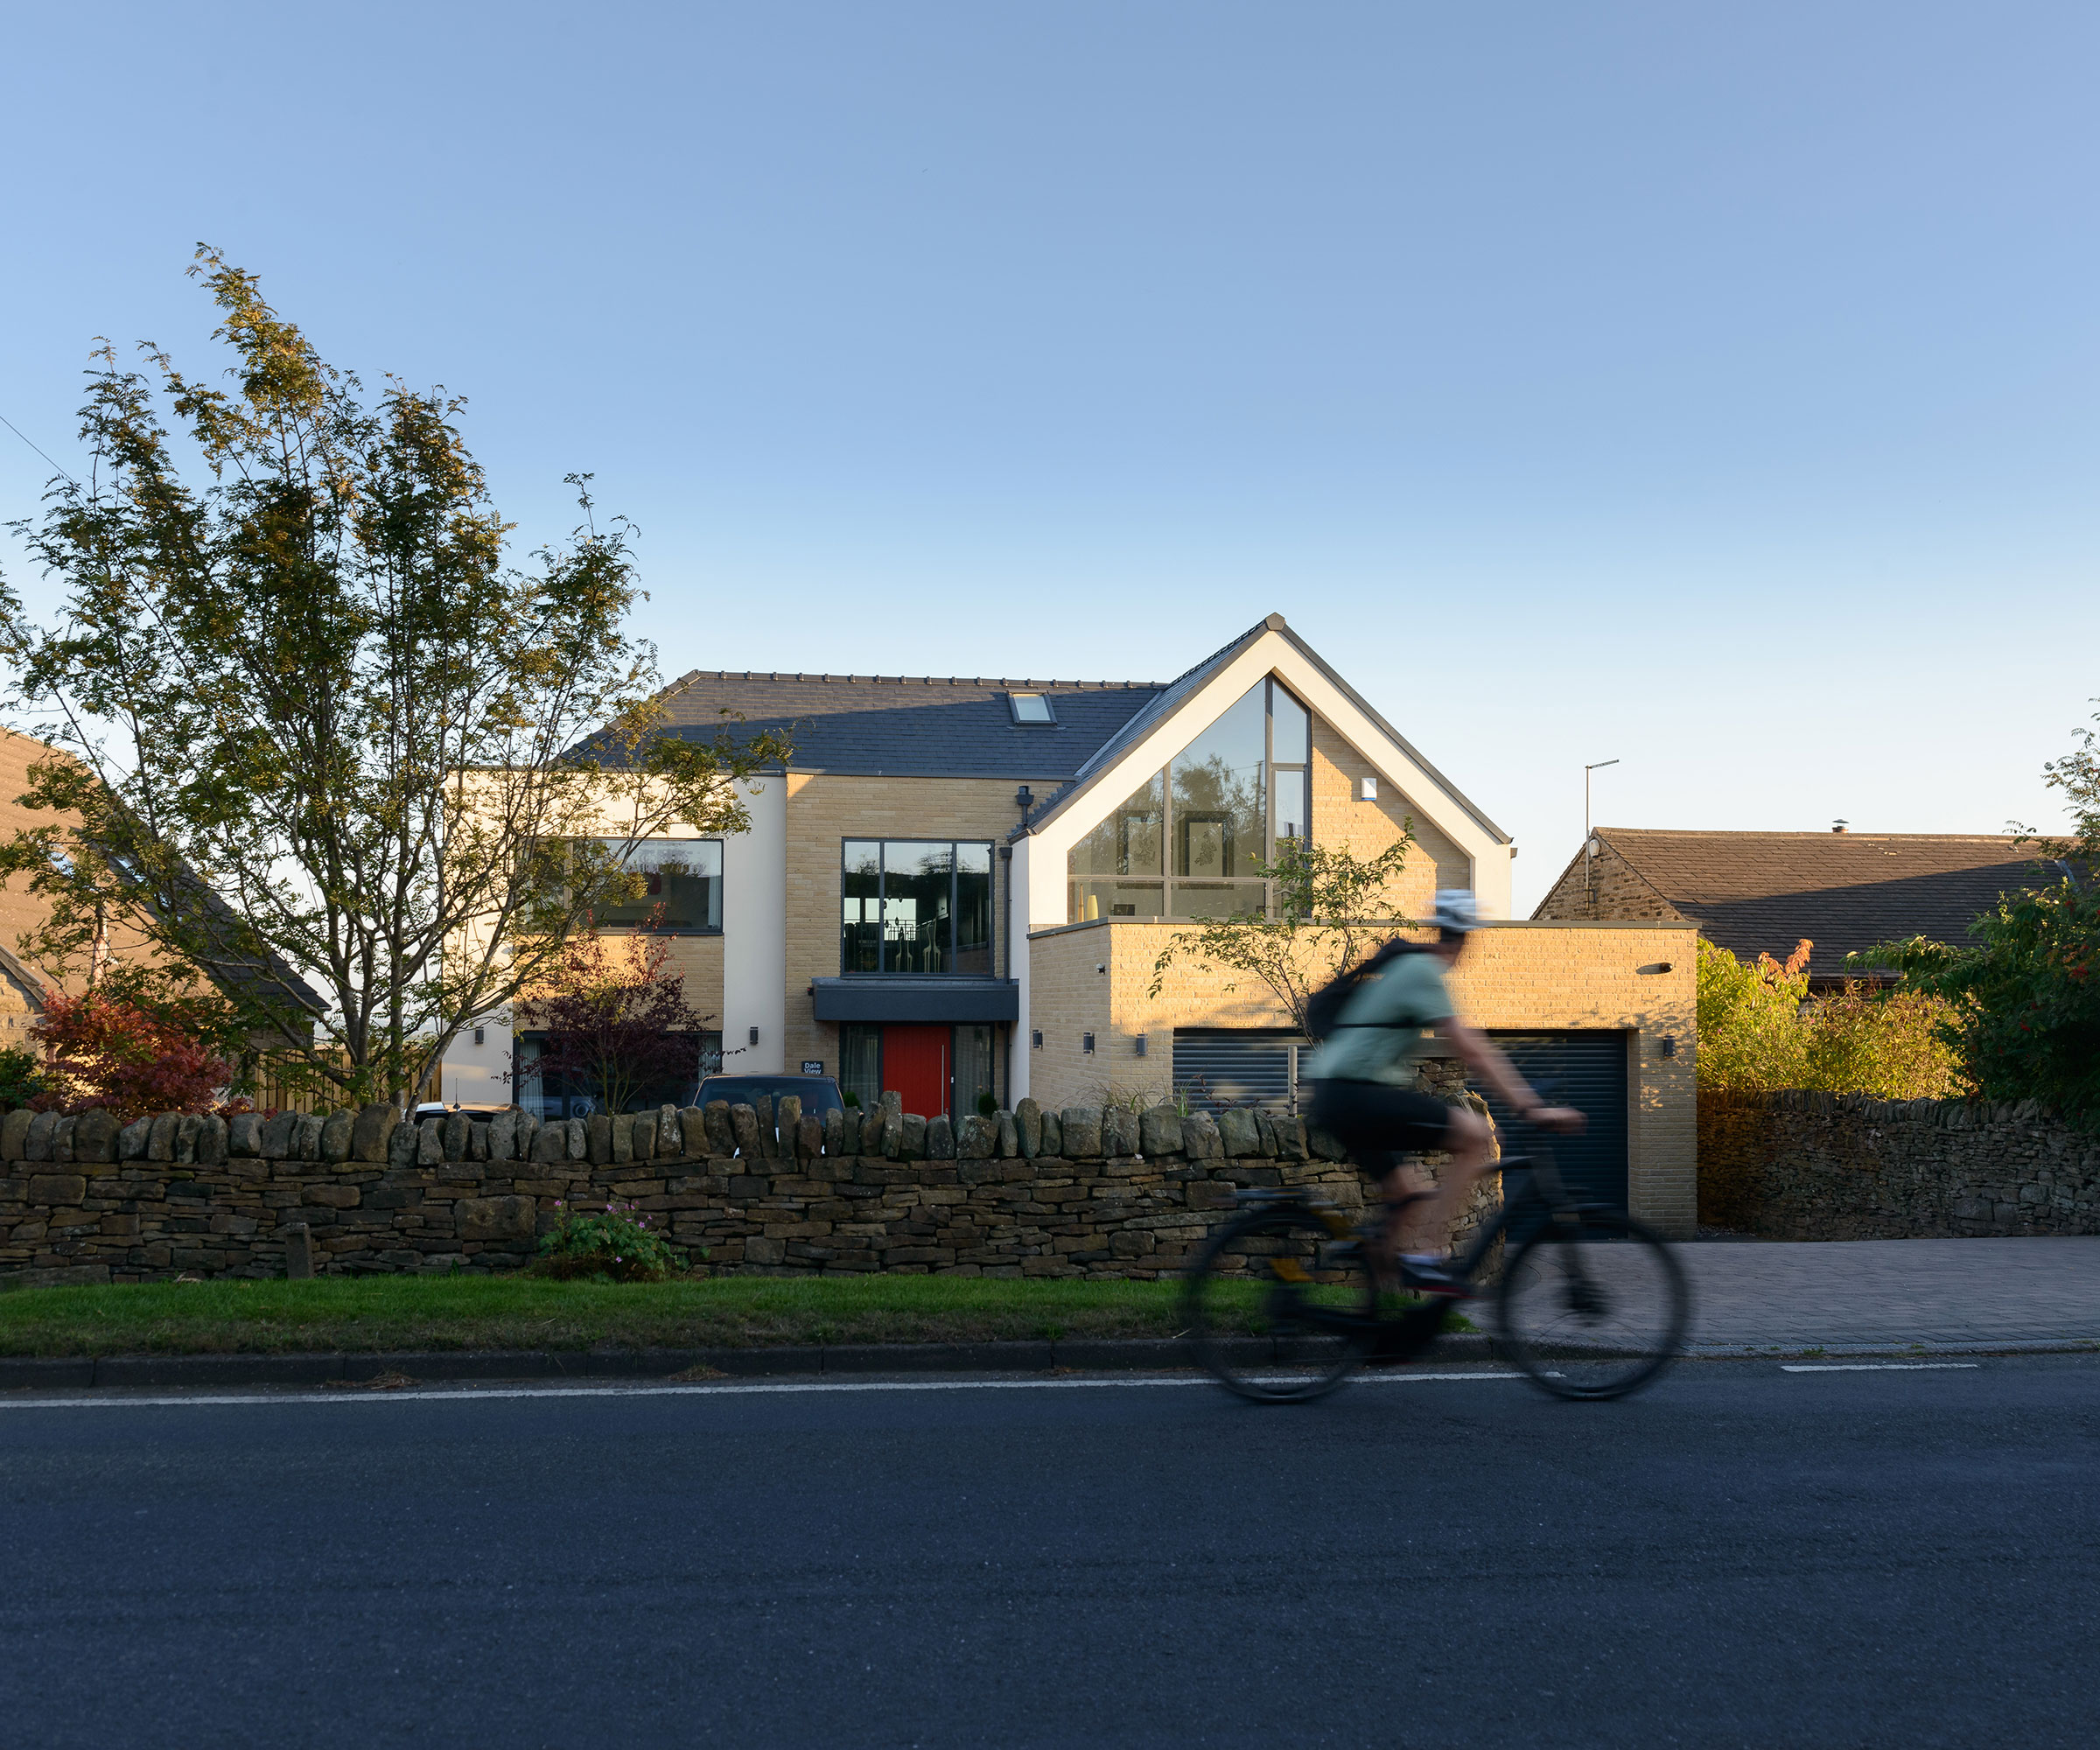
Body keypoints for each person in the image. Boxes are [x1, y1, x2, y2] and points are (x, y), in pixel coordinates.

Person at [1304, 890, 1584, 1292]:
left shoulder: (1411, 969)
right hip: (1355, 1091)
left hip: (1336, 1093)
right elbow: (1470, 1047)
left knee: (1406, 1195)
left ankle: (1375, 1320)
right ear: (1466, 939)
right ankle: (1429, 1256)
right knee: (1474, 1138)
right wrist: (1531, 1107)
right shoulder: (1424, 972)